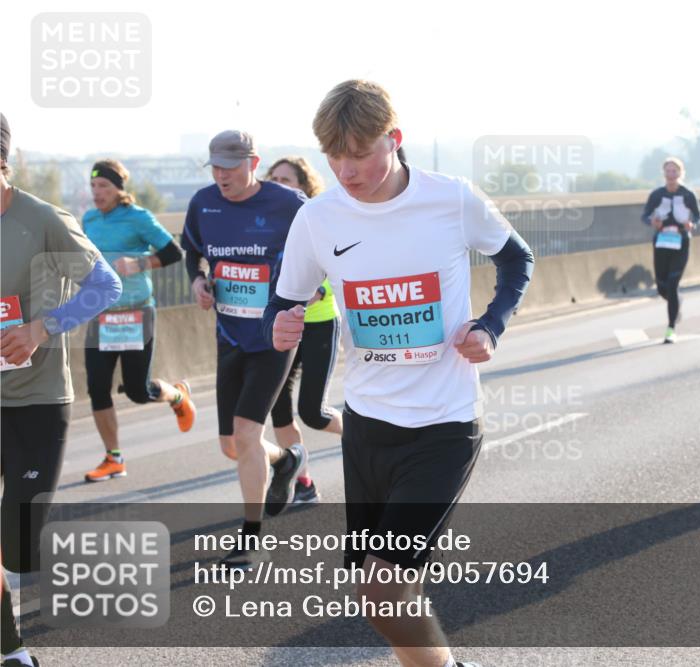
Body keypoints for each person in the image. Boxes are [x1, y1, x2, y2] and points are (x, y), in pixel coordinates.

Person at [264, 79, 533, 667]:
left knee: (381, 592)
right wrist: (278, 326)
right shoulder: (318, 217)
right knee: (386, 596)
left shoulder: (450, 198)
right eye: (334, 156)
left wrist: (490, 325)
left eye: (360, 153)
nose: (347, 169)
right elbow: (283, 302)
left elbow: (517, 258)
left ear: (396, 139)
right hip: (366, 428)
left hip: (443, 426)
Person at [1, 113, 123, 667]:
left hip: (36, 401)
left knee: (19, 543)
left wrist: (41, 327)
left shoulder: (42, 220)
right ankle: (10, 648)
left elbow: (106, 285)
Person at [181, 130, 308, 569]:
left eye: (230, 167)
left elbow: (321, 252)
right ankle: (285, 458)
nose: (221, 175)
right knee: (232, 445)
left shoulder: (288, 204)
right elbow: (191, 254)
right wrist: (198, 280)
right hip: (229, 336)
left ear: (253, 163)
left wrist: (306, 293)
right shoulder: (203, 204)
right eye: (215, 166)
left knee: (247, 433)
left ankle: (250, 538)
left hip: (275, 336)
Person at [81, 159, 195, 483]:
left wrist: (139, 263)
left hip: (135, 313)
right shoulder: (89, 219)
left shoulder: (138, 218)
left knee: (137, 391)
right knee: (97, 388)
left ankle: (176, 395)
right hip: (101, 314)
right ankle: (113, 458)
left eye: (104, 186)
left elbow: (174, 252)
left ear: (119, 188)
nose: (97, 192)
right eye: (93, 186)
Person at [263, 157, 343, 505]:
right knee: (279, 408)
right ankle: (304, 480)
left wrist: (320, 290)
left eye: (287, 179)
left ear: (304, 186)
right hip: (284, 326)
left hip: (320, 321)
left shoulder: (318, 217)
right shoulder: (267, 222)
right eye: (274, 178)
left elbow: (339, 261)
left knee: (313, 412)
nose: (279, 184)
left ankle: (366, 435)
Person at [641, 157, 700, 343]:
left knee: (673, 283)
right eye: (668, 171)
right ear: (664, 174)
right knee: (662, 287)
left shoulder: (688, 194)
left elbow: (699, 216)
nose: (671, 175)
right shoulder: (657, 195)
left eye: (674, 171)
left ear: (681, 173)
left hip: (681, 242)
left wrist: (692, 224)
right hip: (661, 242)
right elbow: (644, 215)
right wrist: (652, 222)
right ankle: (676, 302)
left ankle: (670, 328)